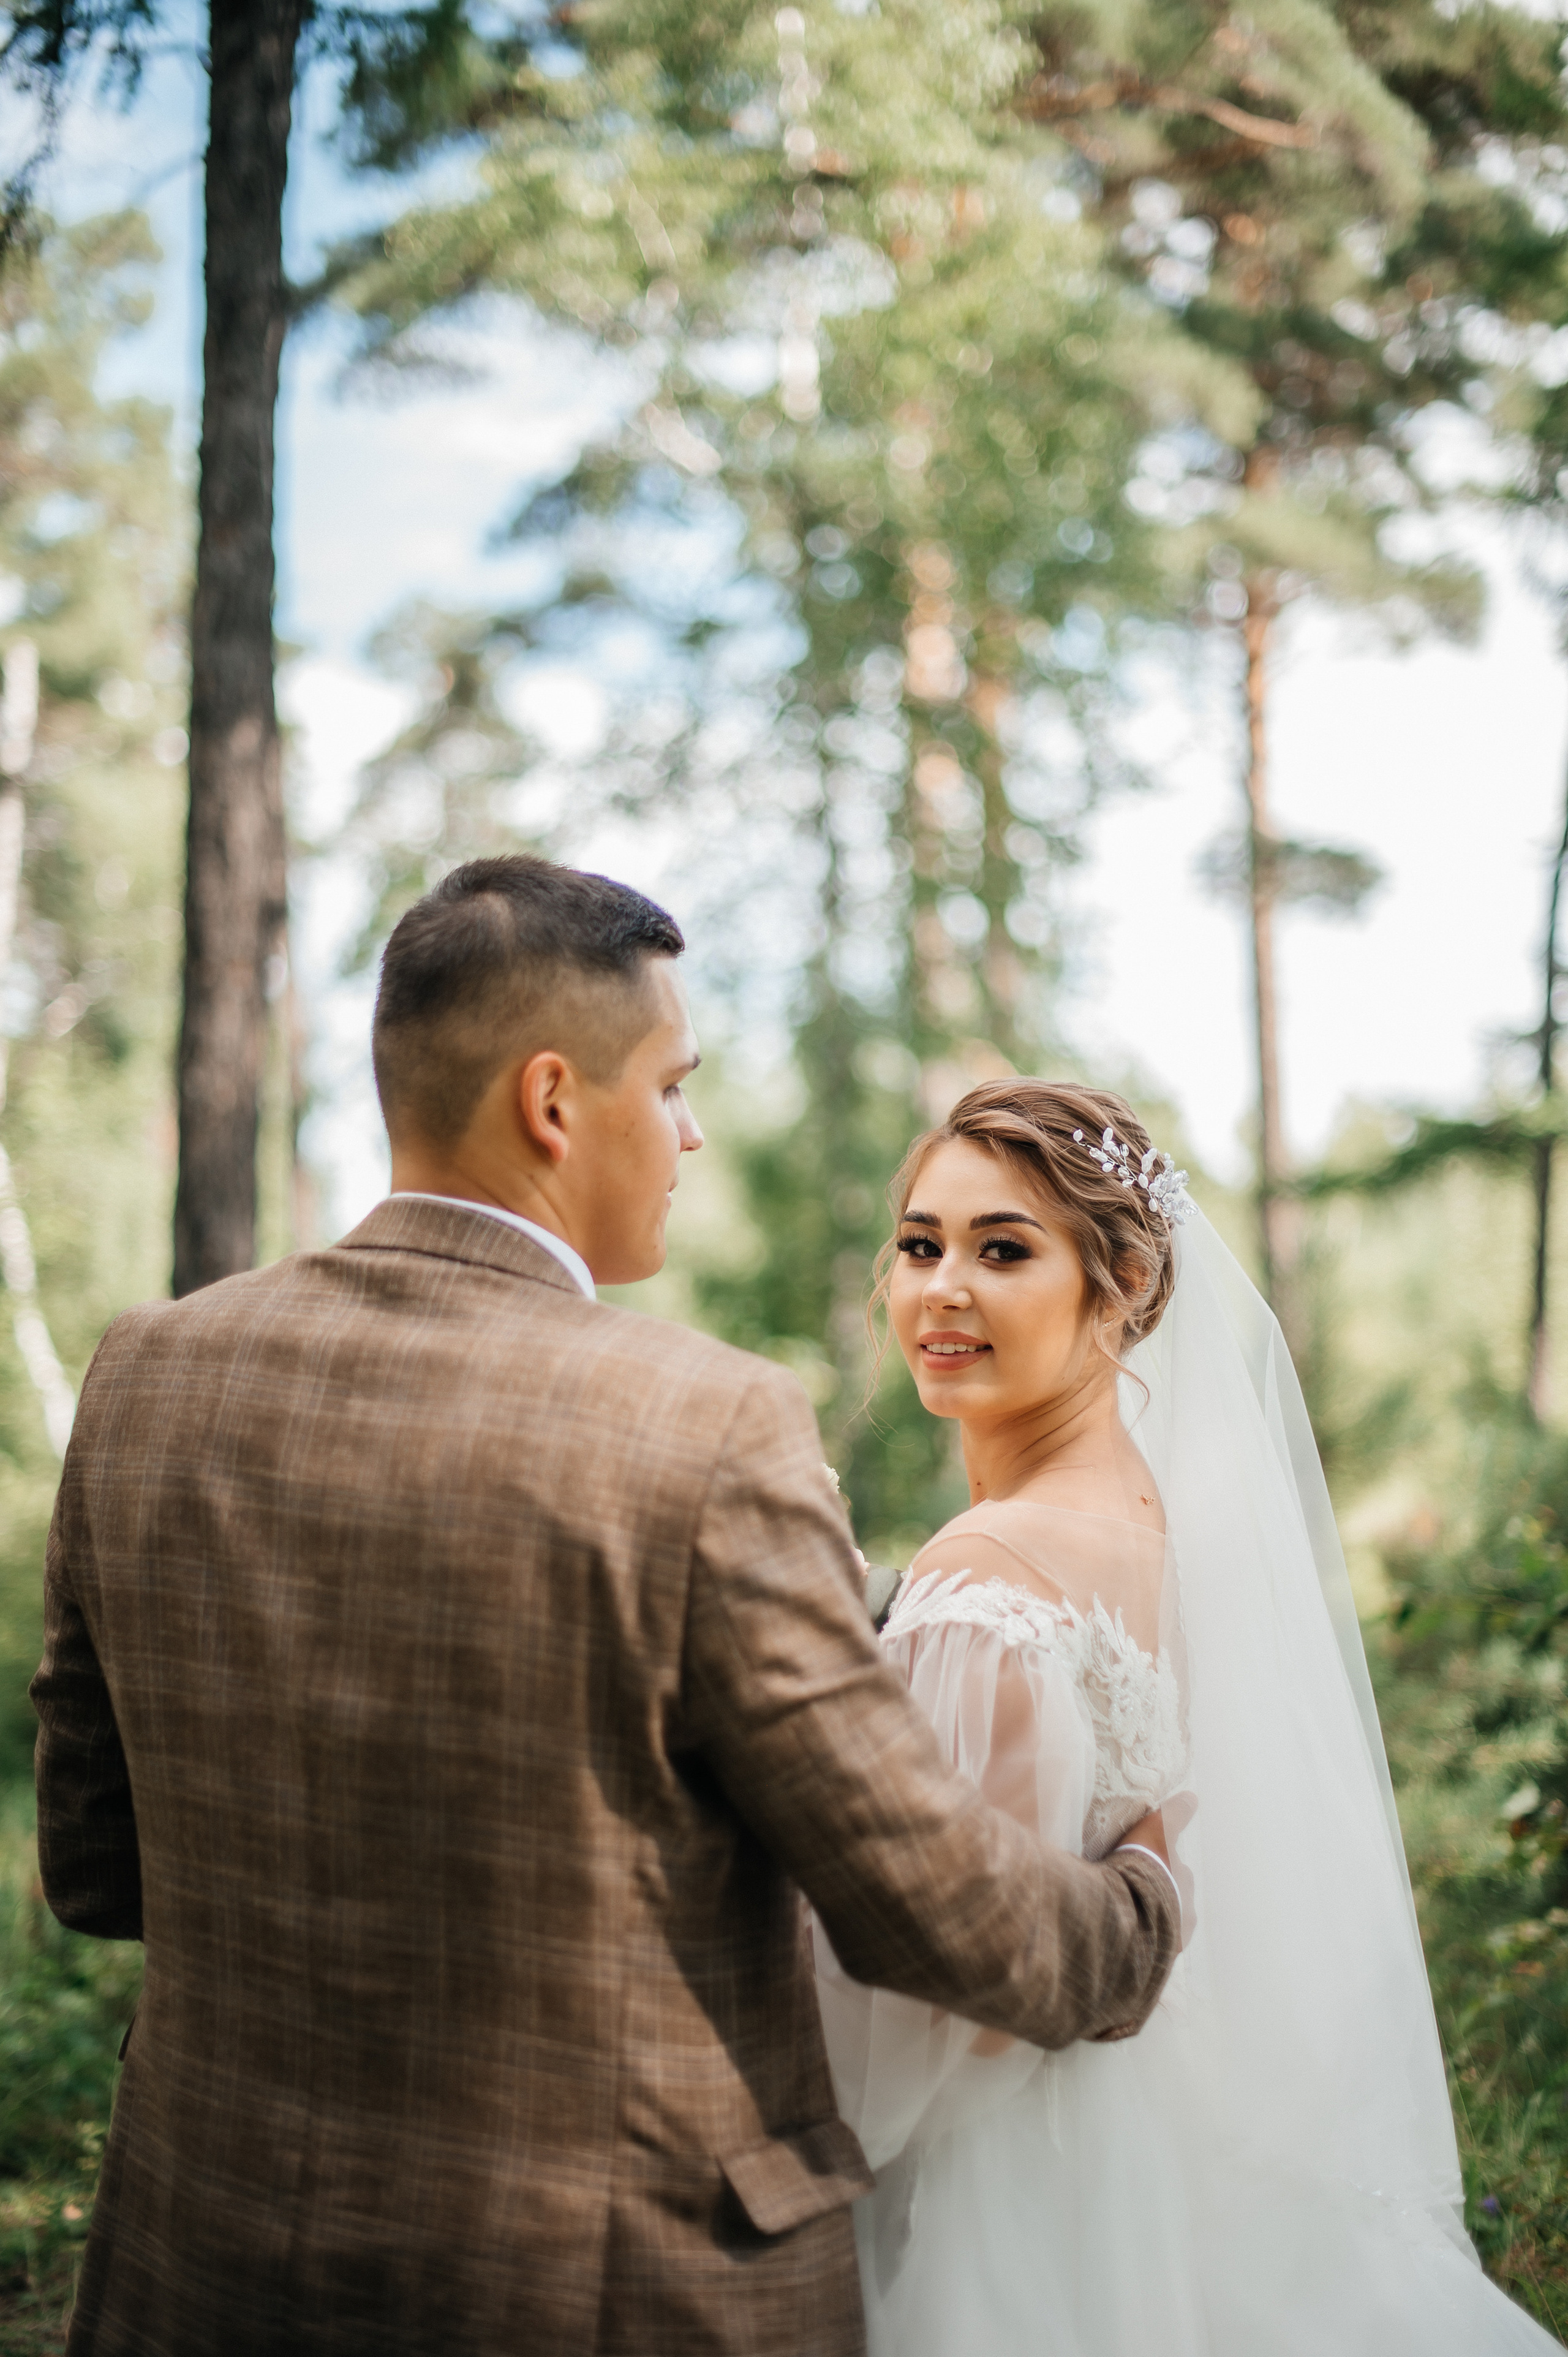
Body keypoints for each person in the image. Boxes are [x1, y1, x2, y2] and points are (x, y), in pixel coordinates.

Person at [31, 858, 1180, 2357]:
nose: (690, 1132)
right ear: (555, 1103)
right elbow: (947, 1919)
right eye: (674, 1085)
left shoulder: (145, 1372)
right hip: (588, 2295)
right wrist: (1142, 1904)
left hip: (202, 2258)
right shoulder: (700, 1427)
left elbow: (95, 1870)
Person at [815, 1077, 1558, 2355]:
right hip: (1160, 2114)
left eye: (1003, 1248)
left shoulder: (984, 1572)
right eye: (919, 1244)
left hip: (1004, 2188)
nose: (940, 1288)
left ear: (1124, 1284)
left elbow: (936, 1995)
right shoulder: (1164, 1512)